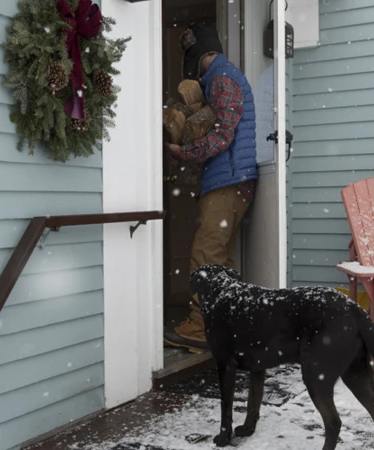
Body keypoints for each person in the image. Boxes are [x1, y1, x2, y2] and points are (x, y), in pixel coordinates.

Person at [163, 23, 258, 353]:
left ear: (199, 54)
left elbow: (222, 137)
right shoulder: (222, 77)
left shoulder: (222, 78)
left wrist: (184, 152)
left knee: (206, 254)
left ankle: (201, 328)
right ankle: (224, 328)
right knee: (219, 259)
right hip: (229, 181)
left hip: (228, 182)